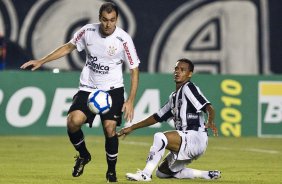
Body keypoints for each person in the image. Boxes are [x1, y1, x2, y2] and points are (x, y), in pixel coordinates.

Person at [20, 2, 140, 182]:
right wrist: (42, 61)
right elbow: (68, 47)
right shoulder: (87, 32)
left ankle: (111, 172)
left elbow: (134, 70)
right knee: (72, 122)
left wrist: (130, 100)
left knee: (110, 128)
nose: (108, 24)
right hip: (88, 88)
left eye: (112, 20)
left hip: (113, 90)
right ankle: (84, 155)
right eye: (105, 20)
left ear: (117, 20)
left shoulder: (123, 39)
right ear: (100, 18)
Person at [117, 58, 221, 181]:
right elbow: (156, 117)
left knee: (160, 137)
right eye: (176, 69)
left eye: (183, 70)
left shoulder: (188, 88)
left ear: (190, 74)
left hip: (195, 138)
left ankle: (145, 174)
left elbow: (209, 107)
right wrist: (131, 127)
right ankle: (207, 175)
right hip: (186, 141)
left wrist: (210, 121)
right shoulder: (173, 97)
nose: (178, 72)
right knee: (163, 173)